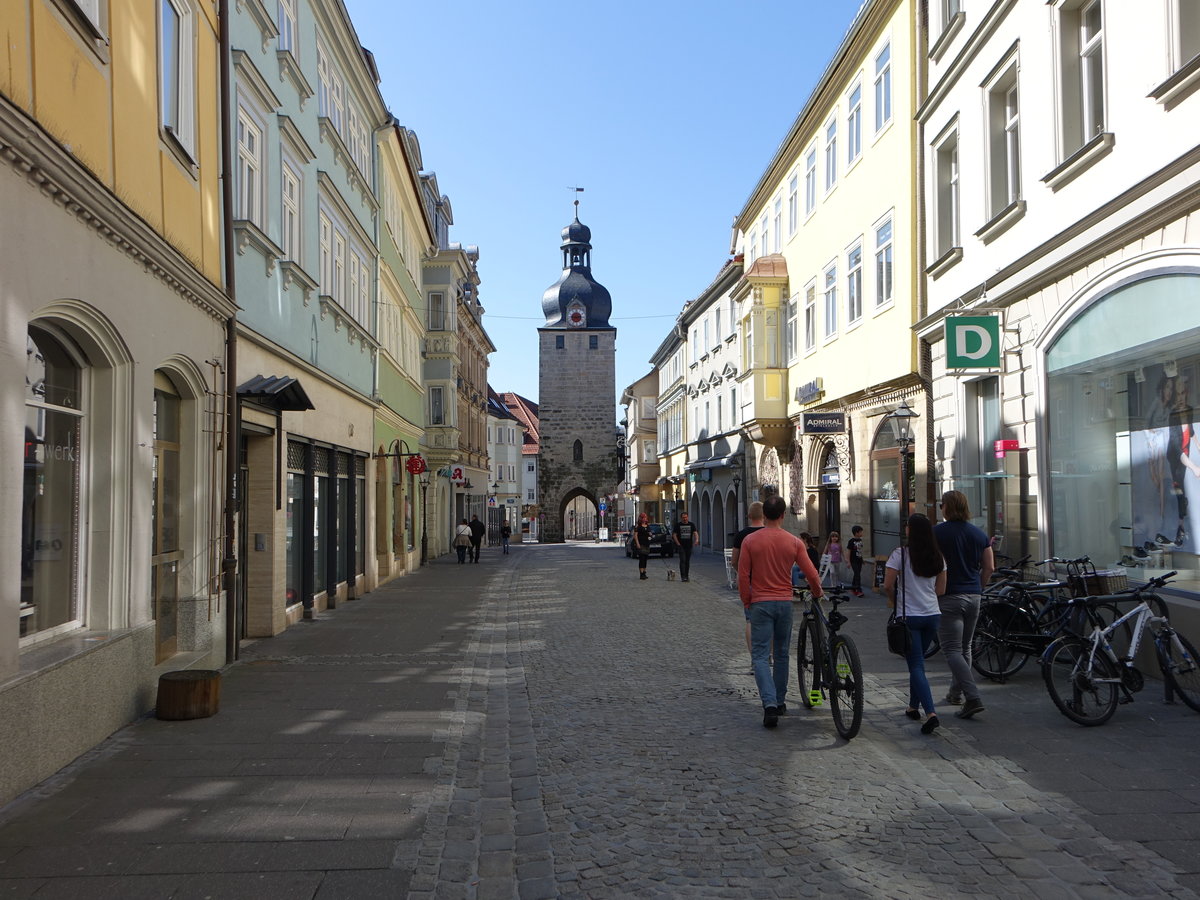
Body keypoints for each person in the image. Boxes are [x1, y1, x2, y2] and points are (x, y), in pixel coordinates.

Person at [738, 495, 824, 728]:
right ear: (783, 515)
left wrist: (747, 600)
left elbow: (743, 576)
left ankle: (769, 705)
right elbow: (811, 571)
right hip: (784, 602)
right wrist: (817, 591)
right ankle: (780, 700)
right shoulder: (794, 542)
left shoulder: (751, 541)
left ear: (764, 515)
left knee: (760, 655)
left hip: (760, 602)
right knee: (782, 654)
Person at [884, 513, 947, 735]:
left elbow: (888, 584)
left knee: (916, 665)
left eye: (907, 526)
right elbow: (941, 590)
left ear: (911, 530)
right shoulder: (938, 556)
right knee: (917, 662)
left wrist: (894, 600)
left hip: (909, 616)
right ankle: (913, 706)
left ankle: (931, 713)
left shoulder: (900, 555)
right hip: (932, 615)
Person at [934, 490, 994, 720]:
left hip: (949, 597)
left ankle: (973, 697)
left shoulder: (937, 533)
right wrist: (978, 586)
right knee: (965, 647)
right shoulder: (979, 534)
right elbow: (989, 568)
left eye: (942, 505)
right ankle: (955, 693)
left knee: (951, 649)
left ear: (947, 507)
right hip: (974, 596)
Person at [731, 501, 766, 661]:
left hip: (749, 583)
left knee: (750, 621)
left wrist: (742, 574)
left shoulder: (742, 535)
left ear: (749, 516)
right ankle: (768, 657)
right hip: (768, 582)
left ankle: (754, 658)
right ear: (764, 515)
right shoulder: (770, 533)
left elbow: (734, 561)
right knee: (768, 622)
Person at [672, 511, 698, 581]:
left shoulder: (691, 524)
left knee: (687, 561)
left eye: (686, 517)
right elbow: (674, 535)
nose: (685, 519)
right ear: (681, 518)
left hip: (689, 545)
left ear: (688, 517)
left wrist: (696, 540)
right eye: (683, 518)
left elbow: (695, 533)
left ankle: (687, 575)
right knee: (682, 560)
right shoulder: (678, 525)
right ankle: (683, 576)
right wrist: (678, 543)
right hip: (681, 546)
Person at [632, 512, 651, 580]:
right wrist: (637, 544)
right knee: (642, 559)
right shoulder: (638, 527)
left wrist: (650, 535)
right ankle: (641, 573)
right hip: (641, 544)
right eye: (643, 518)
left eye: (645, 518)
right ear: (640, 519)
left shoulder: (648, 526)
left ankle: (644, 572)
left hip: (647, 544)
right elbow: (635, 536)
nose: (644, 519)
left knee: (645, 559)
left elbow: (650, 533)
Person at [848, 525, 866, 597]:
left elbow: (860, 551)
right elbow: (849, 551)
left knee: (857, 574)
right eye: (861, 532)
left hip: (859, 560)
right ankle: (858, 590)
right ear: (856, 533)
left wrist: (862, 559)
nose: (862, 533)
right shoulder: (851, 541)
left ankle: (853, 587)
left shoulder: (860, 541)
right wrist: (848, 561)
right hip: (853, 560)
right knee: (857, 575)